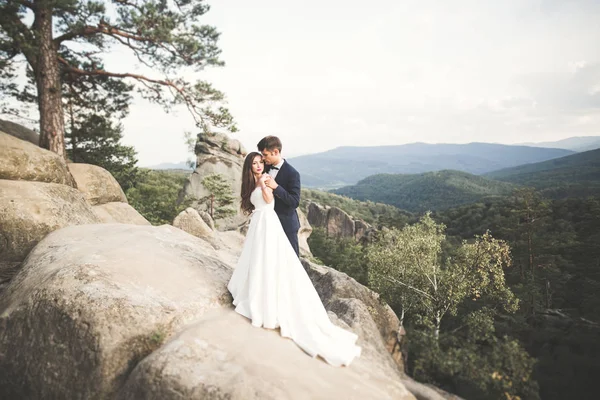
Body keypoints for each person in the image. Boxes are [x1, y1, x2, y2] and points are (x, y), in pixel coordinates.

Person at [227, 151, 361, 367]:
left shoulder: (264, 180)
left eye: (261, 162)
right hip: (260, 223)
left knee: (268, 261)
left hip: (268, 223)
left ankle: (264, 297)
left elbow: (269, 200)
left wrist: (264, 185)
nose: (259, 166)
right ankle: (254, 288)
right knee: (258, 259)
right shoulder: (253, 180)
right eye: (255, 163)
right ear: (249, 166)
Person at [257, 136, 301, 256]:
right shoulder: (264, 168)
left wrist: (276, 187)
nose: (263, 158)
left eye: (265, 155)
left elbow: (294, 201)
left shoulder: (292, 173)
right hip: (268, 221)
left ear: (275, 152)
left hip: (286, 224)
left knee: (291, 258)